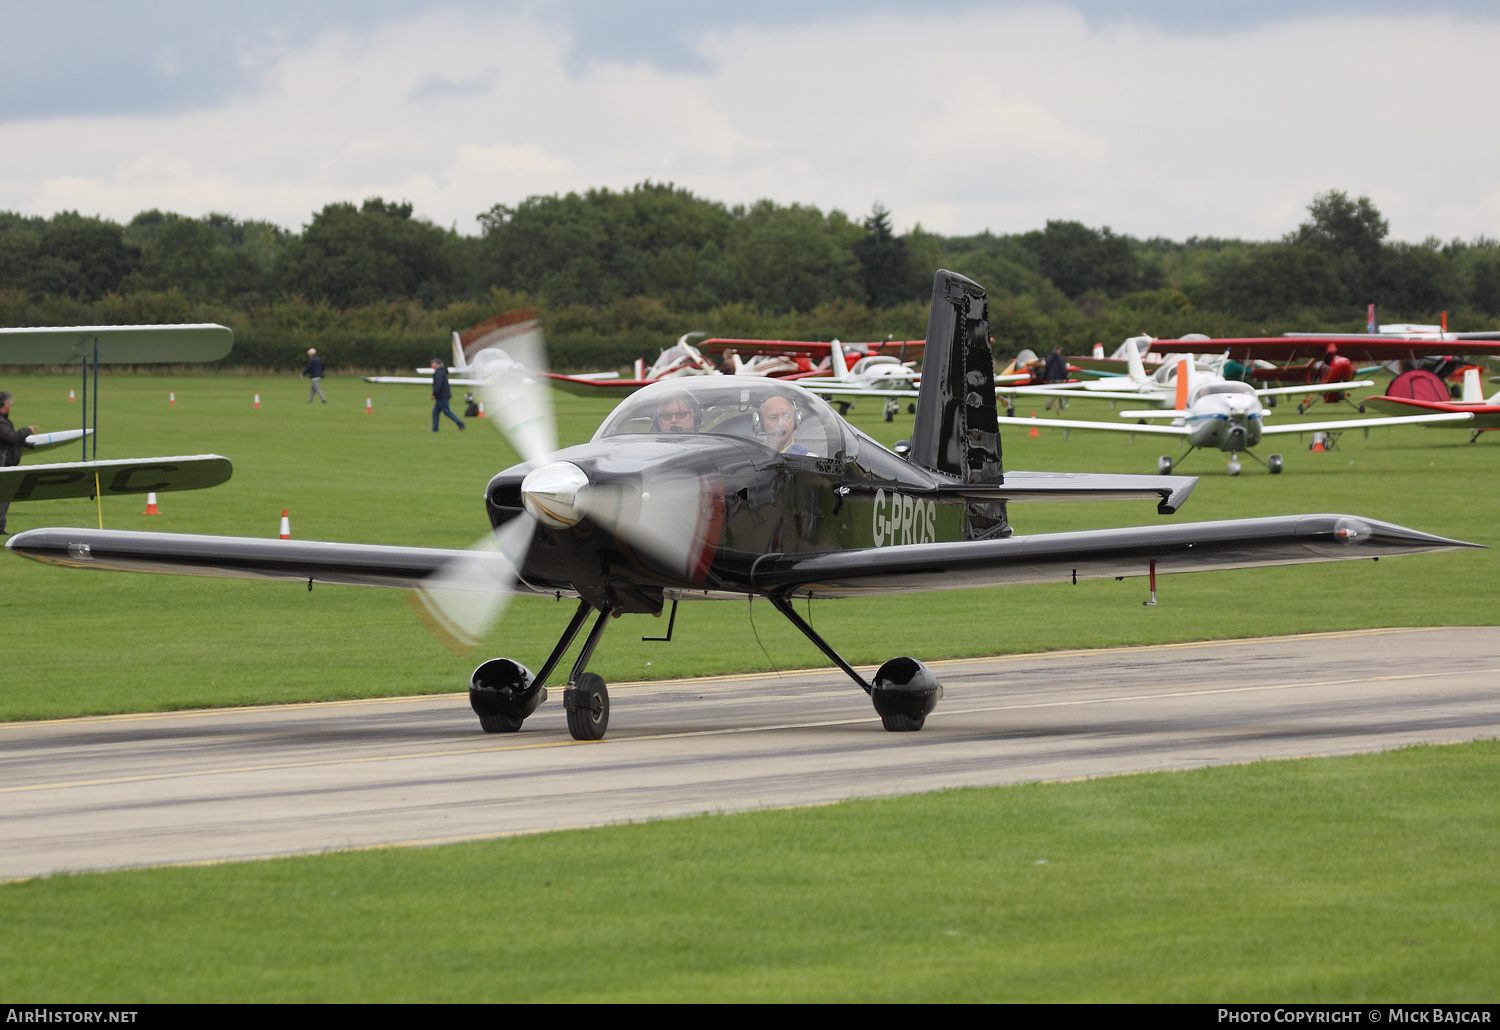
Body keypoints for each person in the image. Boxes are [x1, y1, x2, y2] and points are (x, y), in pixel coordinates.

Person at [0, 390, 40, 535]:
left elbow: (10, 440)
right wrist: (27, 430)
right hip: (2, 466)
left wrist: (28, 444)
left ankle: (0, 527)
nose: (11, 405)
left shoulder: (3, 421)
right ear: (4, 404)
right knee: (3, 496)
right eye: (10, 402)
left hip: (6, 465)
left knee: (5, 497)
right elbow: (12, 437)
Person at [430, 359, 465, 432]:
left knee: (447, 412)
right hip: (443, 395)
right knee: (435, 412)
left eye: (433, 363)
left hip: (441, 396)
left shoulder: (439, 373)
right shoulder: (442, 372)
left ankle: (460, 424)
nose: (431, 364)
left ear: (437, 364)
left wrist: (434, 394)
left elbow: (438, 385)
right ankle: (435, 428)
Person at [1043, 345, 1069, 410]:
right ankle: (1062, 406)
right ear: (1057, 350)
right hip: (1058, 378)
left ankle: (1048, 406)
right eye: (1059, 350)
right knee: (1061, 393)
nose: (1060, 351)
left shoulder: (1048, 358)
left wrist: (1046, 377)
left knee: (1051, 393)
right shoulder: (1061, 359)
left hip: (1050, 378)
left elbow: (1046, 368)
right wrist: (1065, 376)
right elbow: (1063, 369)